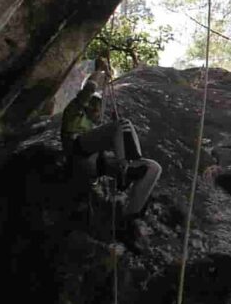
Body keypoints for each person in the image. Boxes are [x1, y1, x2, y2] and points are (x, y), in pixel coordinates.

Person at [59, 85, 161, 216]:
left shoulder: (95, 128)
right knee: (121, 124)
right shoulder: (73, 113)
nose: (95, 110)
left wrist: (118, 139)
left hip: (96, 164)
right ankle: (125, 165)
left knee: (153, 168)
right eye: (92, 106)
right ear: (85, 106)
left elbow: (112, 142)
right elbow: (86, 92)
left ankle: (129, 215)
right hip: (77, 152)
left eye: (98, 108)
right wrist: (99, 71)